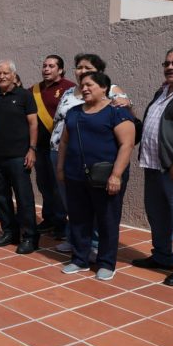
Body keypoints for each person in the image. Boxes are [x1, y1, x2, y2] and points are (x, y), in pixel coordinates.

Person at [57, 72, 135, 281]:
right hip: (75, 175)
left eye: (90, 85)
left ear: (104, 88)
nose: (84, 88)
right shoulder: (73, 112)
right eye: (82, 85)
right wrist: (61, 168)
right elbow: (64, 142)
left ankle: (106, 263)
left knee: (107, 220)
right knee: (78, 219)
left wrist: (116, 175)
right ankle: (80, 259)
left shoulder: (117, 112)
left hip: (106, 177)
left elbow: (126, 145)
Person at [135, 46, 173, 287]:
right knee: (158, 215)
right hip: (153, 166)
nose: (169, 67)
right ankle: (162, 256)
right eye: (166, 63)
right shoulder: (164, 90)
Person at [0, 60, 39, 254]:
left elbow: (33, 124)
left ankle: (30, 237)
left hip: (19, 157)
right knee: (1, 198)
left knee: (24, 198)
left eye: (6, 73)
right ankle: (10, 233)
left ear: (13, 75)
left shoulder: (25, 96)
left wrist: (32, 149)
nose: (2, 76)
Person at [31, 55, 75, 240]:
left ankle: (63, 223)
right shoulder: (34, 90)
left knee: (60, 187)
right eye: (44, 66)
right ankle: (49, 219)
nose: (46, 69)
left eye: (51, 66)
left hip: (59, 149)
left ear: (61, 70)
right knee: (44, 185)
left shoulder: (70, 89)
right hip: (39, 147)